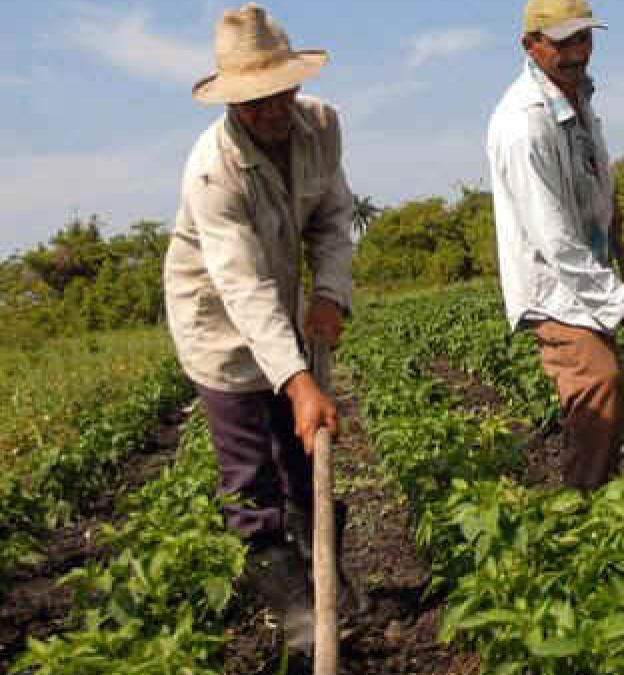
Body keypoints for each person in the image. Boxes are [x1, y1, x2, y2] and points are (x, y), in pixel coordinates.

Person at [162, 2, 356, 656]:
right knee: (253, 478)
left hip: (282, 303)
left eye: (279, 93)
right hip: (218, 322)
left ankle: (328, 581)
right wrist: (298, 381)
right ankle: (299, 623)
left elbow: (333, 214)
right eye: (254, 102)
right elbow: (240, 286)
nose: (272, 111)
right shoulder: (212, 170)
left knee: (305, 458)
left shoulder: (322, 125)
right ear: (232, 104)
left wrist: (330, 292)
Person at [487, 0, 624, 490]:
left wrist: (607, 205)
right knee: (599, 383)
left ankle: (599, 489)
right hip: (554, 285)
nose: (578, 52)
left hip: (587, 269)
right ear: (530, 46)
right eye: (563, 43)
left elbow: (584, 172)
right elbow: (554, 238)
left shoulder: (578, 94)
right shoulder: (523, 124)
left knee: (603, 396)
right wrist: (619, 302)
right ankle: (585, 515)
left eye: (584, 38)